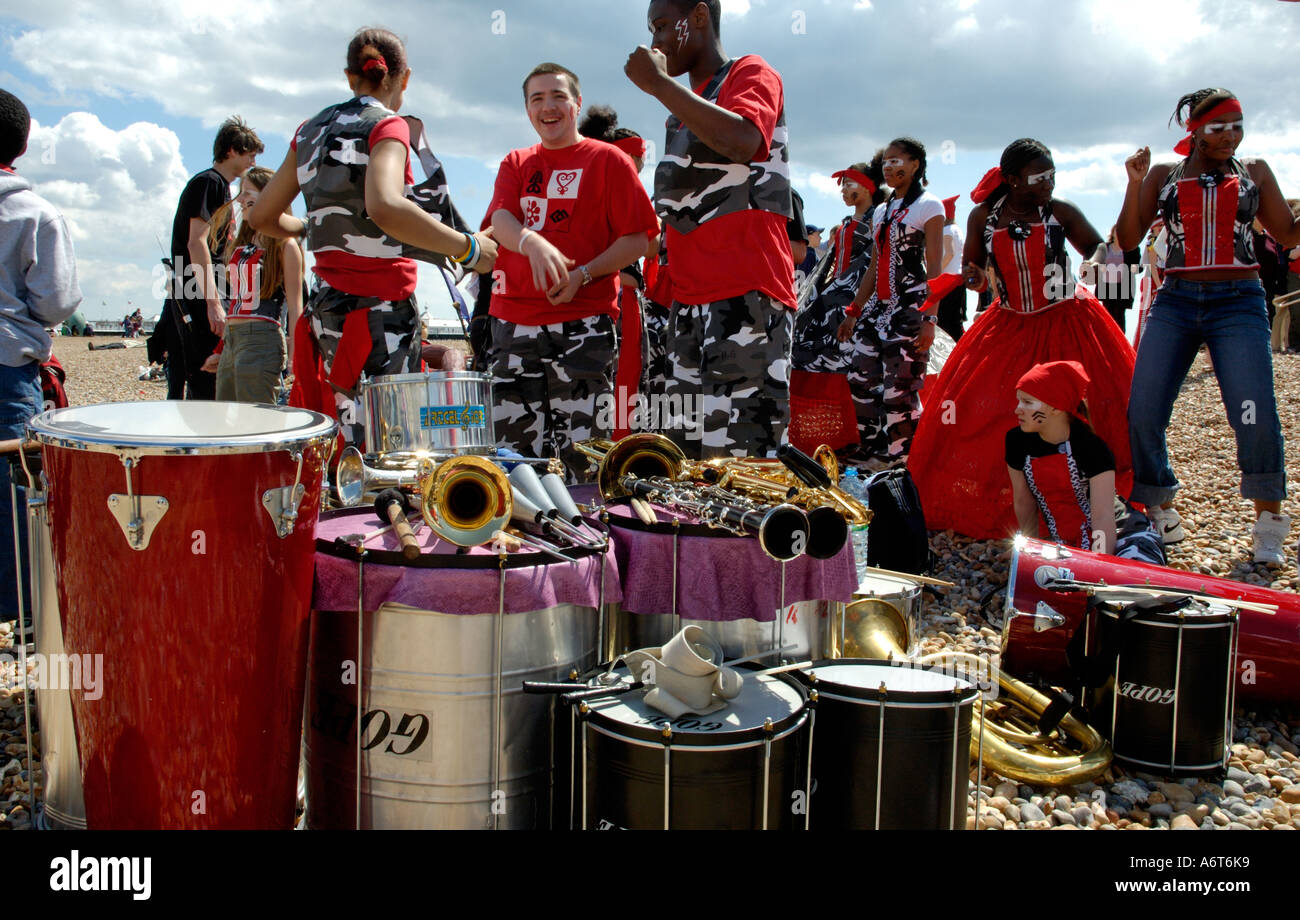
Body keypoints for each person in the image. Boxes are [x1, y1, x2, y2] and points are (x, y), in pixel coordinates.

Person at [249, 27, 497, 446]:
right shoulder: (387, 125)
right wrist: (468, 248)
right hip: (381, 311)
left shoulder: (309, 130)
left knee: (348, 429)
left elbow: (263, 216)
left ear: (350, 77)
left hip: (328, 309)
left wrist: (312, 226)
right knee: (393, 438)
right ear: (404, 77)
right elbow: (384, 205)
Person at [907, 138, 1137, 540]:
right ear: (1013, 180)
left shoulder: (1059, 212)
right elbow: (974, 267)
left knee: (1082, 407)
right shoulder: (984, 217)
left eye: (1051, 174)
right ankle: (1012, 502)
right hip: (1010, 321)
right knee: (990, 410)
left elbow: (1097, 247)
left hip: (1066, 319)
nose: (1048, 182)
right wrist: (975, 278)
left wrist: (1096, 263)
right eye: (1039, 176)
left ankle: (1085, 498)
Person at [1116, 88, 1300, 563]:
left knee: (1253, 408)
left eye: (1237, 126)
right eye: (1219, 128)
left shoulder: (1254, 171)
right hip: (1175, 300)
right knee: (1144, 409)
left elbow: (1288, 233)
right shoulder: (1164, 174)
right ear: (1194, 132)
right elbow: (1130, 239)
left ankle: (1267, 522)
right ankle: (1161, 508)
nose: (1231, 136)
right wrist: (1134, 182)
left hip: (1237, 299)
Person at [626, 0, 796, 458]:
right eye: (651, 29)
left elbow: (742, 140)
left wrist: (659, 84)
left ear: (698, 17)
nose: (655, 39)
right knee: (690, 458)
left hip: (745, 295)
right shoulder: (681, 112)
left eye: (662, 26)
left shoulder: (750, 71)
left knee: (745, 458)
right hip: (689, 304)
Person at [487, 63, 659, 480]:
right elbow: (501, 220)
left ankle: (589, 540)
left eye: (558, 96)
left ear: (577, 104)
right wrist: (533, 241)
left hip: (584, 327)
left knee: (585, 458)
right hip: (513, 325)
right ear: (527, 110)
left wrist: (583, 274)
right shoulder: (516, 161)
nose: (548, 107)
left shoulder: (609, 161)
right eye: (537, 98)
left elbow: (642, 239)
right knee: (513, 461)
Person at [0, 88, 82, 624]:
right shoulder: (35, 213)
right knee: (17, 496)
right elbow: (56, 300)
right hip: (8, 366)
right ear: (24, 145)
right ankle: (24, 609)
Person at [836, 137, 944, 469]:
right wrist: (854, 311)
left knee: (899, 391)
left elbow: (935, 266)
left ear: (916, 165)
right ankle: (873, 452)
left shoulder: (930, 206)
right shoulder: (882, 209)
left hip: (911, 309)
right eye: (886, 161)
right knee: (860, 379)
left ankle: (904, 463)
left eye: (898, 160)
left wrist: (931, 319)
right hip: (877, 310)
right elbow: (873, 265)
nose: (890, 166)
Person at [1007, 361, 1163, 566]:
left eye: (1027, 402)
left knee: (1133, 577)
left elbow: (1103, 516)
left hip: (1118, 532)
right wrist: (1028, 551)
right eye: (1019, 401)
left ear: (1056, 407)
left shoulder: (1092, 448)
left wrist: (1099, 566)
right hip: (1064, 542)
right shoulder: (1016, 441)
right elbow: (1023, 502)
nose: (1018, 409)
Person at [164, 116, 263, 400]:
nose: (252, 162)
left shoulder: (219, 186)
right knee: (206, 376)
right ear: (231, 150)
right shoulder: (210, 182)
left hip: (196, 285)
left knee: (208, 375)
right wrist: (213, 303)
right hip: (196, 287)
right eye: (249, 154)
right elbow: (196, 242)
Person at [577, 104, 652, 440]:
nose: (641, 163)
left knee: (621, 386)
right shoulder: (615, 186)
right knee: (619, 385)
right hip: (615, 296)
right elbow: (650, 245)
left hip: (616, 296)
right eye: (638, 156)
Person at [199, 167, 304, 404]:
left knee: (255, 421)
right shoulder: (242, 243)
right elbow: (238, 300)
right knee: (225, 419)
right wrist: (222, 347)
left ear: (270, 196)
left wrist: (295, 355)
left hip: (262, 338)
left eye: (249, 193)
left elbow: (296, 306)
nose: (241, 199)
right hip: (233, 337)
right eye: (241, 192)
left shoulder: (285, 245)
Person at [936, 195, 967, 342]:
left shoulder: (947, 230)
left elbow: (949, 253)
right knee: (955, 321)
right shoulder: (957, 229)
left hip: (947, 281)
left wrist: (935, 274)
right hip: (958, 279)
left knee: (944, 322)